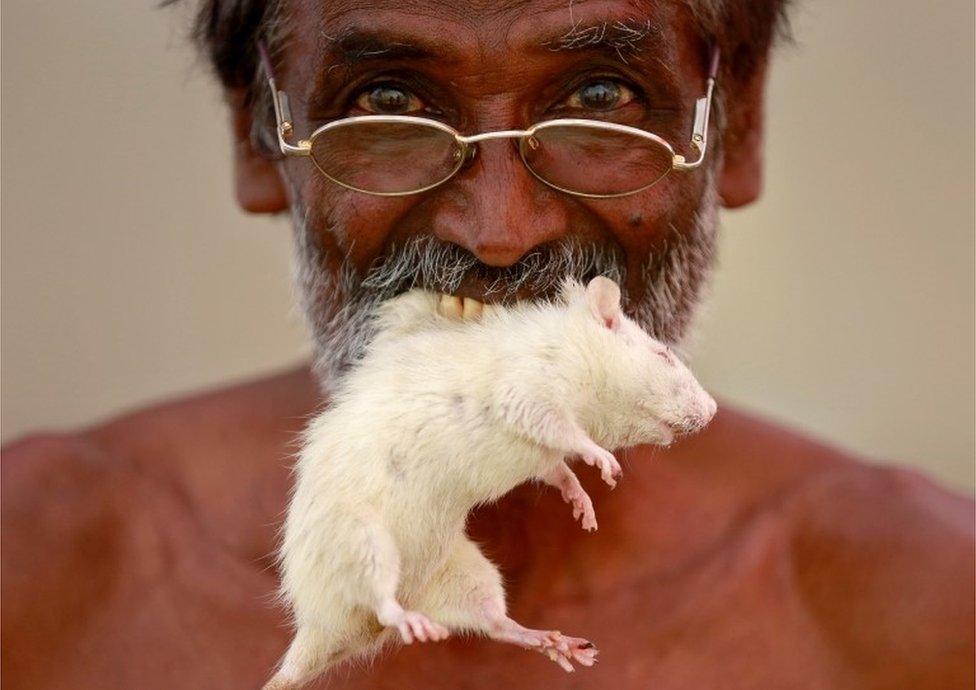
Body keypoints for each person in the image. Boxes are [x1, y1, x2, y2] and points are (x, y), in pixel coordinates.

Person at [2, 1, 972, 688]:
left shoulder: (920, 608)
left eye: (601, 95)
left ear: (739, 129)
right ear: (257, 136)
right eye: (392, 100)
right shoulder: (41, 580)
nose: (499, 232)